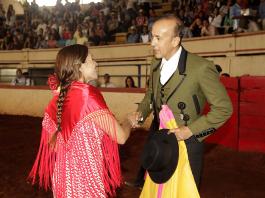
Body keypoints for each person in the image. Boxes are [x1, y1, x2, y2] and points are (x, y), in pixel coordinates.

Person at [128, 15, 233, 196]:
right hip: (161, 139)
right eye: (152, 36)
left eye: (158, 38)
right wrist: (141, 113)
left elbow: (224, 109)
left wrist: (191, 130)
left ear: (176, 40)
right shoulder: (155, 64)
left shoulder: (200, 67)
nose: (152, 43)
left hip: (188, 142)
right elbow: (150, 95)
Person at [28, 44, 137, 197]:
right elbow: (121, 137)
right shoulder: (87, 95)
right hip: (86, 180)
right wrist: (128, 121)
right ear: (79, 66)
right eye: (91, 60)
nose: (96, 63)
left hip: (62, 180)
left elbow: (53, 146)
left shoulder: (56, 100)